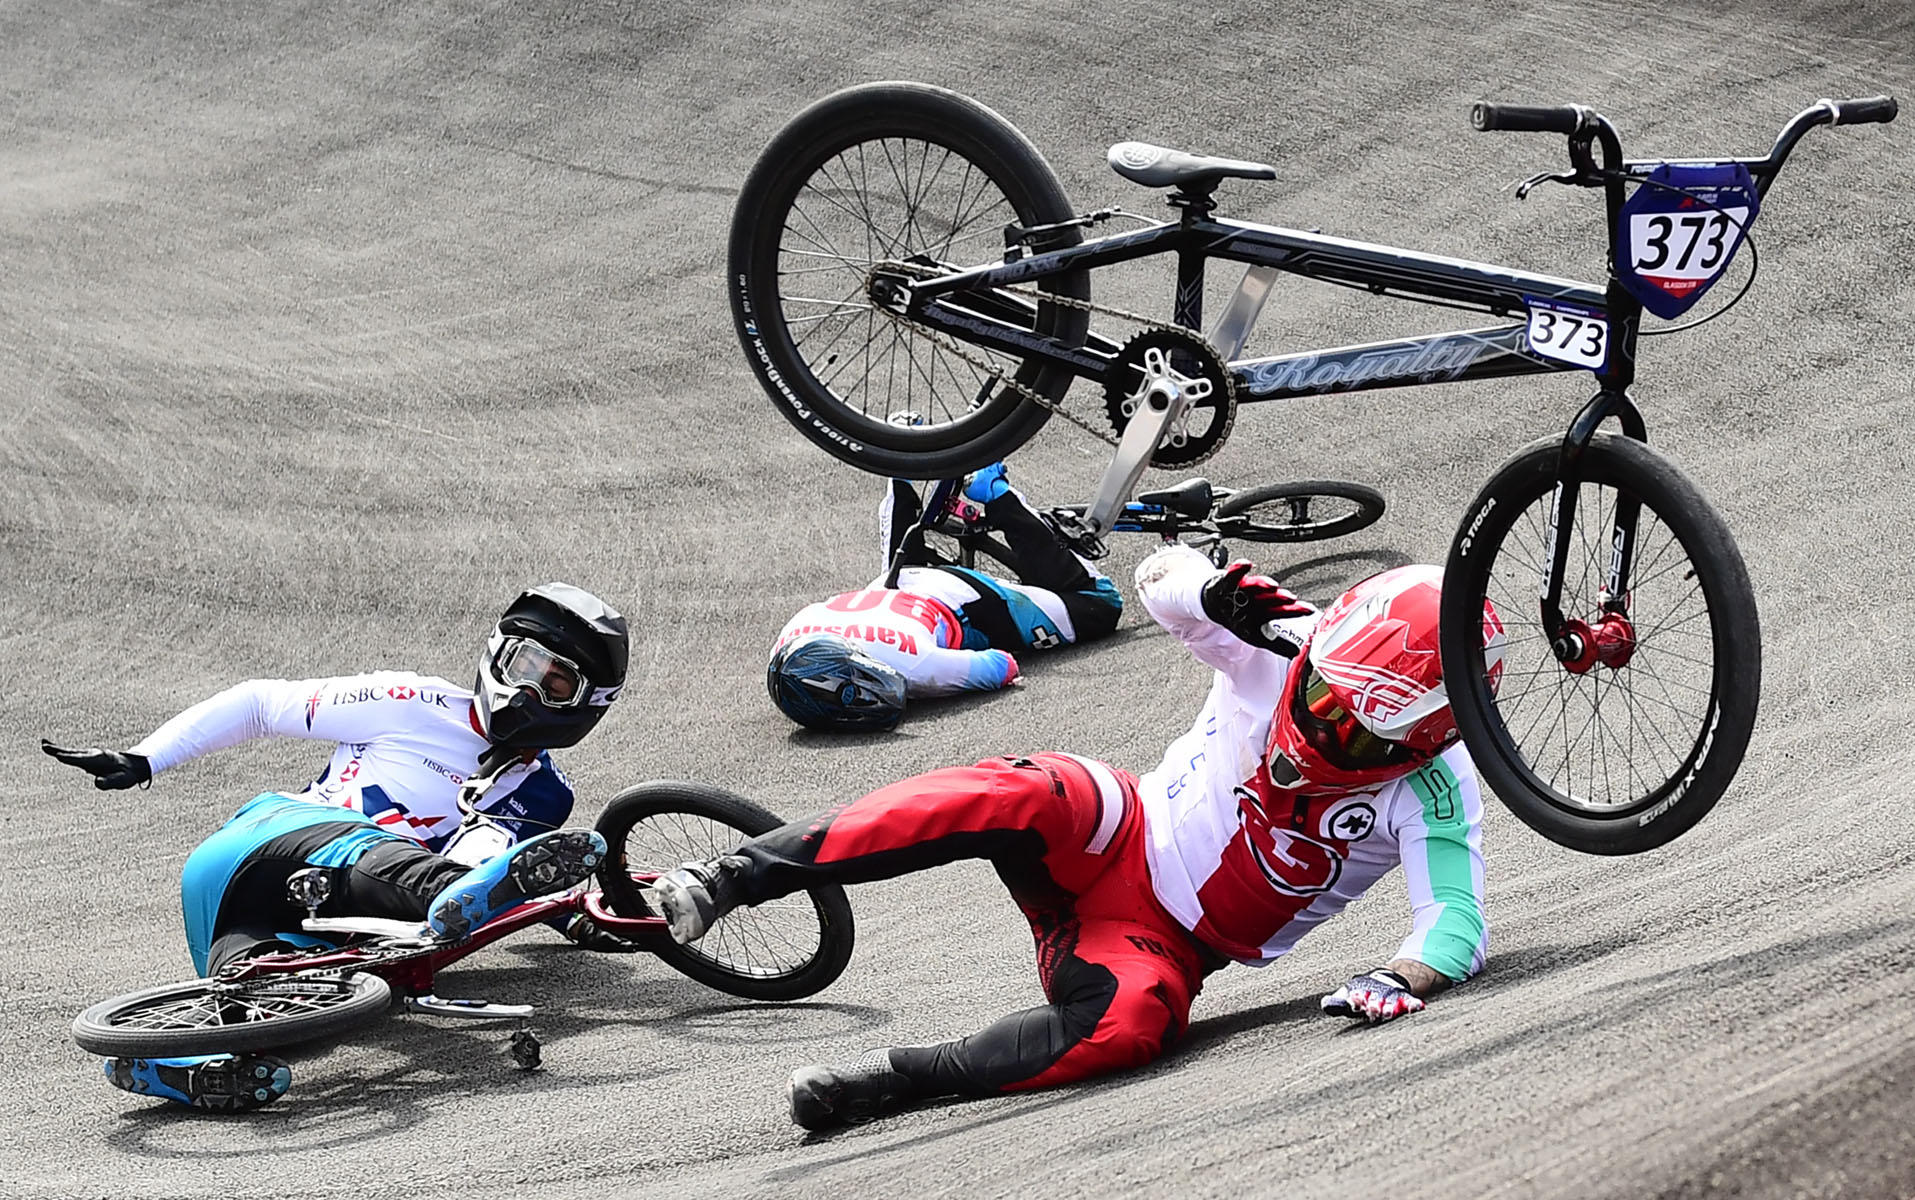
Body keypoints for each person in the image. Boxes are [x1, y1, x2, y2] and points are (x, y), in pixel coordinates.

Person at [653, 545, 1505, 1130]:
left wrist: (1397, 975)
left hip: (1155, 942)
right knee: (1025, 788)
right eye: (1320, 693)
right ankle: (733, 874)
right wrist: (1211, 589)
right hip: (1112, 828)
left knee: (1132, 1024)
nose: (1320, 725)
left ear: (1428, 736)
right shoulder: (1280, 637)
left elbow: (1455, 920)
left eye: (1356, 732)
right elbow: (1157, 576)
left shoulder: (1435, 787)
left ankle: (897, 1080)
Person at [43, 582, 629, 1112]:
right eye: (525, 665)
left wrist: (548, 909)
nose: (529, 688)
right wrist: (146, 757)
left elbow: (488, 857)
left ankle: (180, 1069)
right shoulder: (414, 702)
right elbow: (258, 704)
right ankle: (439, 892)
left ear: (586, 706)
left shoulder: (544, 795)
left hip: (290, 916)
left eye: (556, 683)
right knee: (428, 882)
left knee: (282, 1013)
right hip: (279, 838)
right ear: (497, 653)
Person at [766, 462, 1123, 731]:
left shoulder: (918, 666)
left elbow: (1001, 665)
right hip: (897, 580)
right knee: (892, 581)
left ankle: (997, 493)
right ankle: (899, 472)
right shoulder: (787, 647)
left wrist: (934, 688)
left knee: (1101, 605)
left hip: (963, 597)